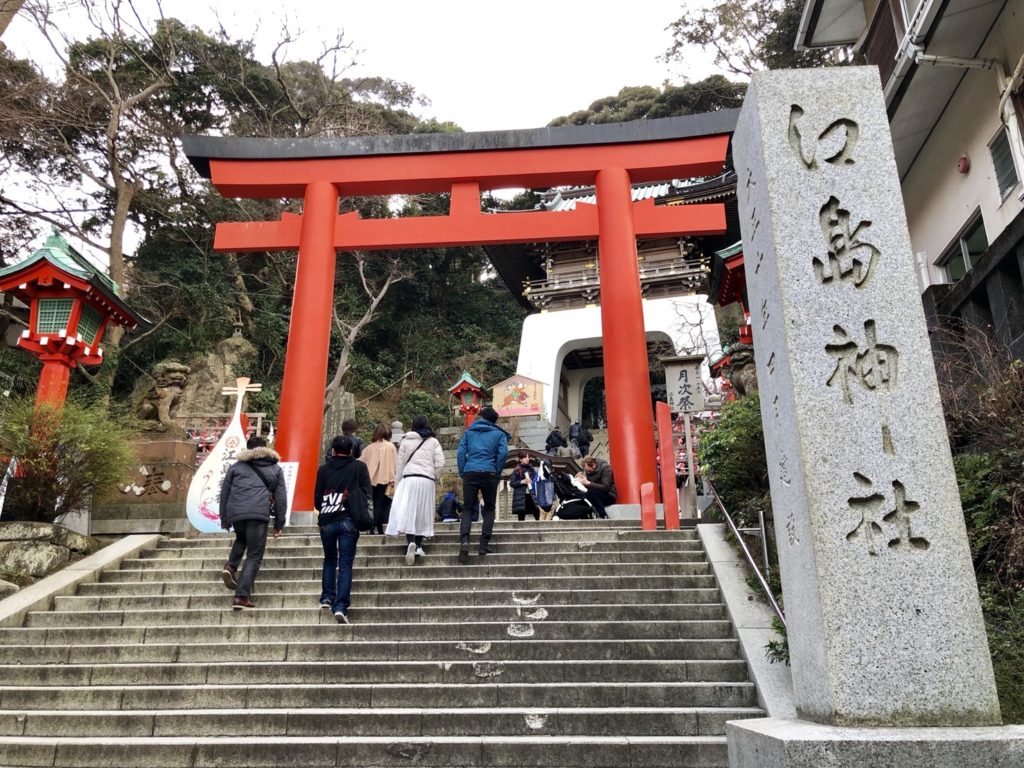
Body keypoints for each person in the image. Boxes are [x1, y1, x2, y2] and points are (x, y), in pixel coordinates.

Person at [219, 435, 288, 610]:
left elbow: (225, 493)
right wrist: (279, 524)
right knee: (254, 555)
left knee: (242, 538)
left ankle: (231, 566)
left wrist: (225, 518)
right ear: (265, 448)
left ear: (248, 449)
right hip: (257, 514)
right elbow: (280, 498)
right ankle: (241, 596)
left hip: (236, 513)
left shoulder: (236, 467)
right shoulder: (275, 469)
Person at [313, 435, 371, 624]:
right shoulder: (359, 467)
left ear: (333, 450)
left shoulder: (323, 470)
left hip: (327, 520)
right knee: (345, 564)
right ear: (352, 450)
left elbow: (317, 498)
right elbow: (366, 492)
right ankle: (340, 606)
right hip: (348, 519)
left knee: (329, 559)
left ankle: (327, 597)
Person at [386, 415, 445, 565]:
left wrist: (398, 484)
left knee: (409, 512)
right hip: (426, 480)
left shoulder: (405, 440)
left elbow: (400, 465)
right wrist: (435, 477)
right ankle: (419, 546)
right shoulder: (433, 442)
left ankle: (411, 541)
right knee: (423, 513)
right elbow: (440, 463)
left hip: (410, 479)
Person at [456, 406, 510, 564]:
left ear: (481, 417)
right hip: (489, 473)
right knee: (489, 508)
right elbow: (503, 454)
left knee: (467, 508)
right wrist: (496, 471)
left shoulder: (469, 432)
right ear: (494, 421)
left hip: (470, 471)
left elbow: (460, 453)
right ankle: (483, 544)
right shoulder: (499, 434)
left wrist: (463, 470)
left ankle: (465, 541)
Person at [359, 423, 397, 535]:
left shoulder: (368, 448)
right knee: (381, 504)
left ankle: (378, 528)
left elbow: (361, 462)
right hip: (386, 479)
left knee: (375, 503)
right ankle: (373, 527)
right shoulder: (390, 446)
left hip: (370, 479)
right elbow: (396, 463)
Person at [576, 455, 617, 520]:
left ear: (593, 465)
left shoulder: (605, 468)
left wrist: (588, 483)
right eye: (587, 472)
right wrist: (582, 482)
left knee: (592, 493)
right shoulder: (588, 470)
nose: (588, 473)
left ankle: (603, 516)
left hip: (609, 495)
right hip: (596, 493)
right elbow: (591, 486)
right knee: (582, 494)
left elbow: (605, 487)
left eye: (589, 471)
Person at [509, 452, 540, 521]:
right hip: (521, 496)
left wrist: (532, 481)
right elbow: (512, 483)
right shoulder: (517, 470)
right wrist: (521, 481)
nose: (527, 459)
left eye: (528, 457)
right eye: (525, 457)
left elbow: (536, 480)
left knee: (537, 512)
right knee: (521, 515)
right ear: (520, 459)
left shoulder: (531, 469)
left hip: (531, 494)